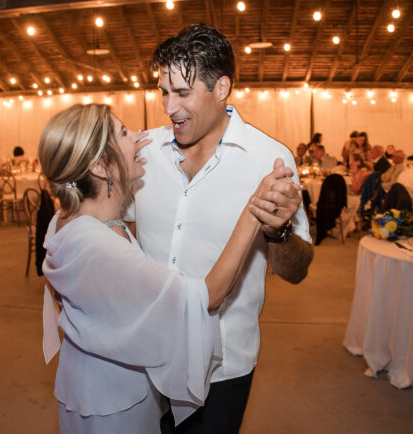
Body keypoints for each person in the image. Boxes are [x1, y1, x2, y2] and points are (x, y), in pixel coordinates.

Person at [39, 103, 290, 433]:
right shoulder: (97, 246)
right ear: (100, 165)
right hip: (114, 407)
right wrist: (253, 211)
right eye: (124, 133)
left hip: (92, 391)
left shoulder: (68, 219)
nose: (141, 138)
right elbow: (206, 298)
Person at [128, 24, 313, 433]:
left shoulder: (269, 159)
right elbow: (117, 226)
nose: (168, 107)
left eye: (182, 93)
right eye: (163, 91)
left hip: (223, 367)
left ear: (222, 88)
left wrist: (278, 231)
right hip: (145, 356)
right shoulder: (146, 153)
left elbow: (297, 271)